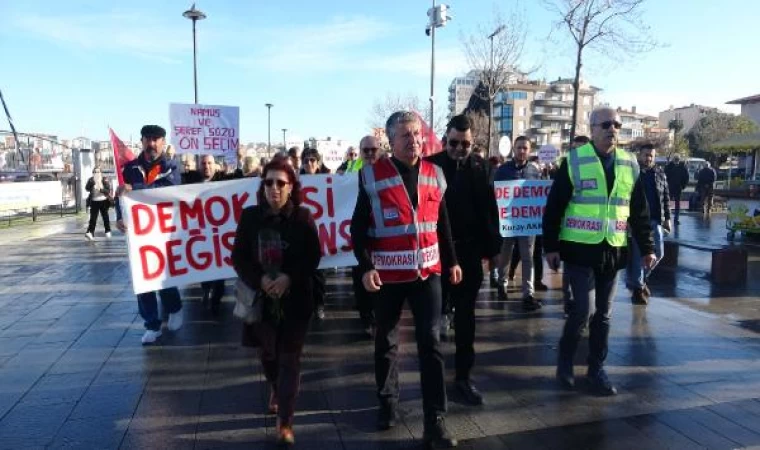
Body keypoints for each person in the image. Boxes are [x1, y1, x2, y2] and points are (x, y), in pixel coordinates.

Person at [350, 111, 462, 448]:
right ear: (390, 141)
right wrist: (366, 266)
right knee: (385, 341)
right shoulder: (371, 176)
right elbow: (358, 228)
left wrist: (453, 261)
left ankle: (435, 419)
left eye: (416, 134)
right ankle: (387, 404)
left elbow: (442, 222)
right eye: (405, 135)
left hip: (428, 272)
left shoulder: (435, 173)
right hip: (388, 275)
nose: (414, 140)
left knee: (431, 342)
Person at [543, 107, 655, 396]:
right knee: (582, 310)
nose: (612, 129)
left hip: (613, 251)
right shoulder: (574, 161)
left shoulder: (630, 163)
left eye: (617, 124)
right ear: (591, 128)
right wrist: (551, 246)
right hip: (580, 250)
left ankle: (596, 370)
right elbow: (554, 207)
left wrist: (647, 247)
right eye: (606, 124)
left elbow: (639, 211)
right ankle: (565, 362)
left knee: (603, 315)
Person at [232, 158, 321, 446]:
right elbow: (239, 257)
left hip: (296, 302)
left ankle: (285, 421)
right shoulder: (250, 217)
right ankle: (275, 387)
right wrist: (260, 279)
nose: (274, 188)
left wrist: (288, 278)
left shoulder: (304, 218)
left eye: (281, 183)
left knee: (289, 360)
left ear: (291, 186)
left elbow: (313, 257)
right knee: (269, 356)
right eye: (269, 182)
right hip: (261, 302)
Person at [426, 114, 500, 406]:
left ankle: (463, 377)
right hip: (436, 252)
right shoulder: (431, 166)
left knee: (467, 318)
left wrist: (493, 250)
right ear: (446, 140)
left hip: (469, 254)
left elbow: (489, 211)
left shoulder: (480, 167)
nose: (459, 148)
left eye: (465, 144)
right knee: (431, 319)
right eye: (454, 143)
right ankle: (432, 379)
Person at [115, 125, 184, 345]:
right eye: (148, 139)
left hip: (162, 231)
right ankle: (152, 324)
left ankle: (174, 306)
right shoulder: (130, 167)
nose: (152, 144)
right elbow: (121, 196)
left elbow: (166, 190)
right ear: (142, 141)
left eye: (156, 139)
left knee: (163, 274)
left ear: (163, 142)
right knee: (142, 277)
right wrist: (119, 216)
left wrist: (133, 187)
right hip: (137, 232)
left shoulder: (171, 166)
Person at [493, 136, 543, 310]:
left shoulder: (535, 171)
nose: (522, 151)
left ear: (529, 150)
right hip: (508, 221)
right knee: (505, 254)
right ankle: (502, 283)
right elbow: (495, 194)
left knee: (528, 257)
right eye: (519, 147)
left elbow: (539, 196)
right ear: (513, 149)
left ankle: (528, 294)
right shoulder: (502, 170)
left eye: (525, 148)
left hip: (528, 222)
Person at [345, 135, 383, 337]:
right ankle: (366, 317)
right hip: (360, 236)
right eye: (365, 151)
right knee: (361, 277)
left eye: (373, 150)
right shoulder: (353, 176)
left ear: (380, 150)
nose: (369, 154)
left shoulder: (388, 174)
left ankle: (378, 316)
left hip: (383, 238)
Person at [184, 155, 229, 314]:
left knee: (219, 268)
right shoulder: (189, 179)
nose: (206, 166)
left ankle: (216, 297)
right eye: (203, 163)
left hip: (219, 232)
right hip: (200, 233)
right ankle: (206, 289)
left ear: (215, 165)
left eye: (210, 163)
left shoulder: (225, 179)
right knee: (204, 264)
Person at [626, 143, 669, 305]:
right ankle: (638, 289)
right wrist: (628, 221)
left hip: (656, 220)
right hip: (638, 221)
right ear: (639, 155)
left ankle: (639, 280)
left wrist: (668, 219)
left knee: (659, 253)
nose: (649, 158)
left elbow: (665, 196)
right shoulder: (633, 173)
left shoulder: (659, 173)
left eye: (651, 155)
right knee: (639, 256)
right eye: (646, 155)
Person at [300, 147, 330, 320]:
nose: (309, 163)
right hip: (302, 233)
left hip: (322, 233)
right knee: (303, 274)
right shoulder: (295, 181)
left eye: (312, 160)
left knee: (319, 274)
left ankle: (319, 305)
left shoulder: (327, 180)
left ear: (318, 162)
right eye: (306, 161)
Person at [84, 166, 113, 240]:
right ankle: (90, 232)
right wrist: (92, 183)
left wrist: (101, 189)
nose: (96, 173)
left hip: (103, 201)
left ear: (101, 172)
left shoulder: (104, 179)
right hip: (94, 201)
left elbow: (108, 191)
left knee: (105, 217)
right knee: (93, 218)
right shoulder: (91, 180)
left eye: (98, 171)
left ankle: (108, 231)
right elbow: (87, 188)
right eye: (95, 172)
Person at [665, 155, 689, 225]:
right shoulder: (670, 167)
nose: (676, 161)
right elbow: (664, 176)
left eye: (677, 159)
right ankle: (670, 218)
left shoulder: (681, 167)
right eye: (675, 159)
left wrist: (683, 186)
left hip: (676, 187)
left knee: (675, 204)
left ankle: (675, 218)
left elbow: (686, 178)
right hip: (671, 187)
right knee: (669, 204)